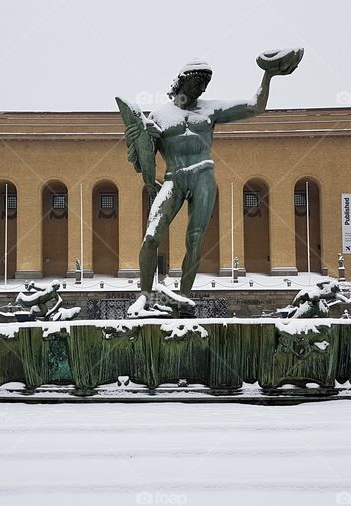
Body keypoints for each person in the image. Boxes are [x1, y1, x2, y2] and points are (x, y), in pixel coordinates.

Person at [121, 52, 301, 317]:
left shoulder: (210, 110)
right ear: (183, 81)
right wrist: (137, 140)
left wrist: (268, 75)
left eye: (205, 85)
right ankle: (145, 296)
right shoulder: (158, 115)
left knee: (194, 240)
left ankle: (183, 299)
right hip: (174, 178)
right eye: (198, 83)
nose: (202, 89)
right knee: (151, 236)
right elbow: (143, 160)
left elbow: (255, 106)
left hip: (203, 174)